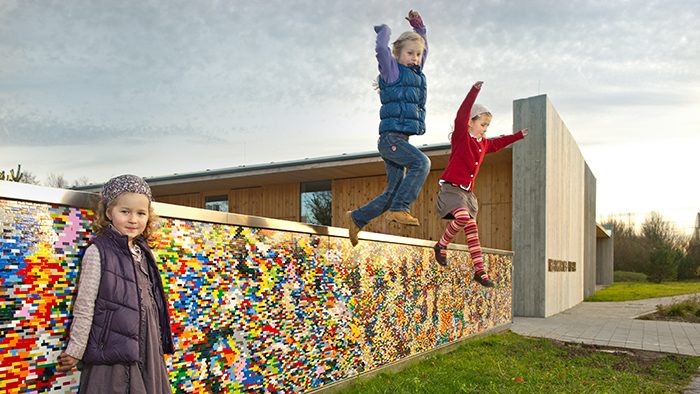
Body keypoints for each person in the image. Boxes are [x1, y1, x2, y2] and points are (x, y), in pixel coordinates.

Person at [57, 174, 174, 393]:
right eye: (125, 211)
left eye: (141, 213)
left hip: (146, 348)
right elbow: (85, 304)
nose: (133, 219)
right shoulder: (98, 252)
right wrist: (76, 349)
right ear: (109, 212)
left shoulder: (143, 252)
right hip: (113, 350)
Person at [346, 10, 430, 247]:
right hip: (391, 139)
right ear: (397, 54)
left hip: (400, 138)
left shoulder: (417, 73)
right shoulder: (392, 71)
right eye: (410, 53)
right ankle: (400, 209)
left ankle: (356, 218)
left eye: (418, 55)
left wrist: (419, 28)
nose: (415, 58)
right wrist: (384, 32)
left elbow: (425, 48)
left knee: (393, 191)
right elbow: (382, 51)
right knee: (421, 163)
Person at [434, 81, 528, 287]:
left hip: (468, 194)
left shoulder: (484, 143)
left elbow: (498, 143)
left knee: (473, 232)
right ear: (470, 122)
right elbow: (461, 114)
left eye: (487, 126)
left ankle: (480, 271)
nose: (485, 130)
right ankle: (441, 245)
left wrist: (518, 136)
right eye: (483, 125)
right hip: (451, 189)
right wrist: (473, 92)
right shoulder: (461, 137)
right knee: (462, 217)